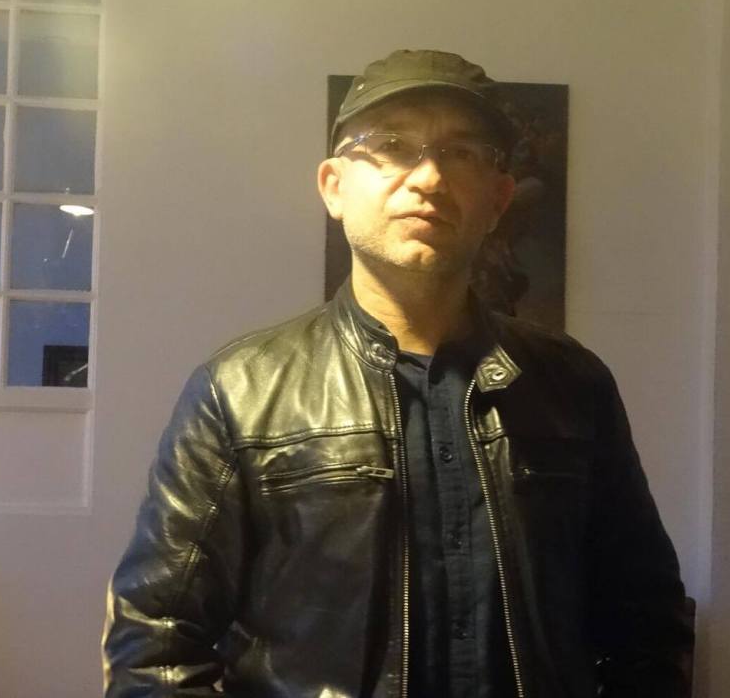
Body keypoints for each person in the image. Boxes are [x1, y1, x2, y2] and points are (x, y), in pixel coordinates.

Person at [102, 49, 693, 697]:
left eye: (462, 153)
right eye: (391, 146)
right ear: (334, 186)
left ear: (499, 199)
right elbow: (154, 644)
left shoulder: (574, 388)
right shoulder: (238, 393)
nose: (430, 176)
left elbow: (647, 623)